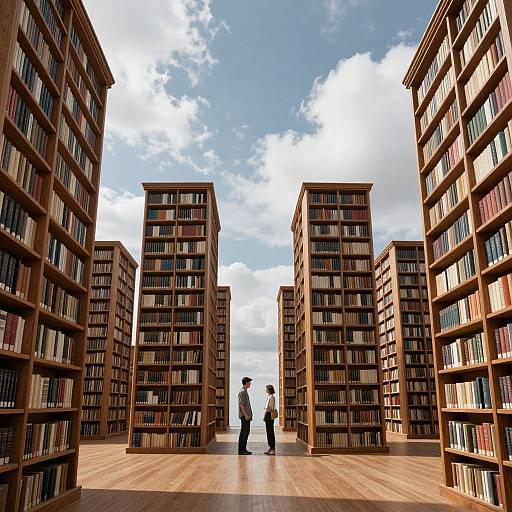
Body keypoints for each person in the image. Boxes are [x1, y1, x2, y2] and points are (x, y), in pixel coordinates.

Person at [238, 376, 253, 455]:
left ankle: (244, 449)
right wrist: (246, 415)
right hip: (245, 416)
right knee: (244, 432)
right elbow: (241, 405)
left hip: (247, 416)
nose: (250, 384)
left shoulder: (245, 391)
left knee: (246, 432)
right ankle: (241, 450)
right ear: (246, 383)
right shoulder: (242, 392)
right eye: (249, 382)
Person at [263, 384, 276, 455]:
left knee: (270, 432)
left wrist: (265, 414)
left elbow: (270, 408)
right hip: (267, 414)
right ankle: (270, 448)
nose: (265, 390)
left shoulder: (272, 397)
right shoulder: (269, 397)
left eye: (266, 389)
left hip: (269, 415)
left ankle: (272, 448)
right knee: (268, 432)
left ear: (269, 389)